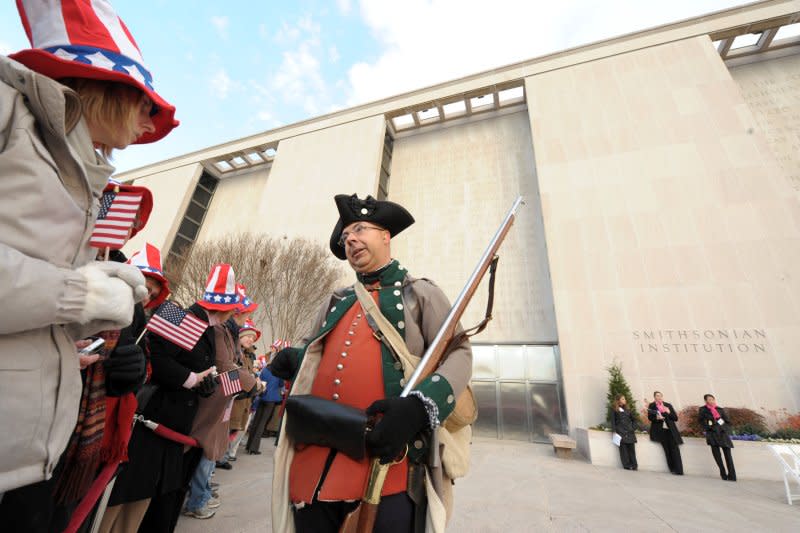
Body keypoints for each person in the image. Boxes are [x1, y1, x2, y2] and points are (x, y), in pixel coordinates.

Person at [0, 0, 177, 499]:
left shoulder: (82, 178)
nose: (149, 121)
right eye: (146, 102)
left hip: (28, 454)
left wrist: (94, 305)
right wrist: (74, 295)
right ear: (108, 87)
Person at [270, 193, 473, 533]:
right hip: (315, 462)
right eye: (345, 236)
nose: (350, 239)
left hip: (389, 458)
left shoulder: (420, 292)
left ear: (385, 236)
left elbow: (459, 352)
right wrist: (296, 357)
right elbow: (314, 350)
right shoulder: (337, 299)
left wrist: (420, 407)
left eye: (360, 229)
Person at [246, 344, 285, 455]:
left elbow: (261, 381)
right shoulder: (279, 372)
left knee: (256, 421)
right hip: (271, 399)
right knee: (262, 423)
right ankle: (254, 448)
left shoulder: (265, 370)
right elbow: (281, 384)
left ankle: (249, 445)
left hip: (262, 396)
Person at [698, 394, 736, 481]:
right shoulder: (703, 409)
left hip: (723, 434)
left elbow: (727, 422)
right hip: (712, 434)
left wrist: (723, 427)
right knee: (717, 455)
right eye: (709, 399)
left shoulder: (720, 409)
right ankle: (723, 473)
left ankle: (732, 475)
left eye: (712, 399)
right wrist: (708, 427)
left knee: (728, 455)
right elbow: (700, 421)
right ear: (706, 401)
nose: (711, 401)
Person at [648, 391, 684, 475]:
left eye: (660, 396)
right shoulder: (652, 406)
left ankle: (679, 470)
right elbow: (650, 417)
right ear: (654, 397)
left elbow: (675, 418)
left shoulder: (668, 405)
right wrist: (657, 418)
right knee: (667, 450)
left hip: (670, 431)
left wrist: (668, 412)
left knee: (675, 450)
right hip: (661, 431)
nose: (659, 397)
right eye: (657, 396)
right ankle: (672, 469)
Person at [611, 394, 638, 470]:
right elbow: (613, 421)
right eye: (623, 399)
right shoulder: (614, 409)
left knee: (631, 450)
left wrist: (633, 428)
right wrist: (614, 431)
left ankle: (634, 465)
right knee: (623, 450)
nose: (625, 400)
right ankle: (627, 465)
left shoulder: (628, 409)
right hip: (620, 432)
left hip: (629, 432)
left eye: (624, 399)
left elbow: (635, 420)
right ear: (618, 400)